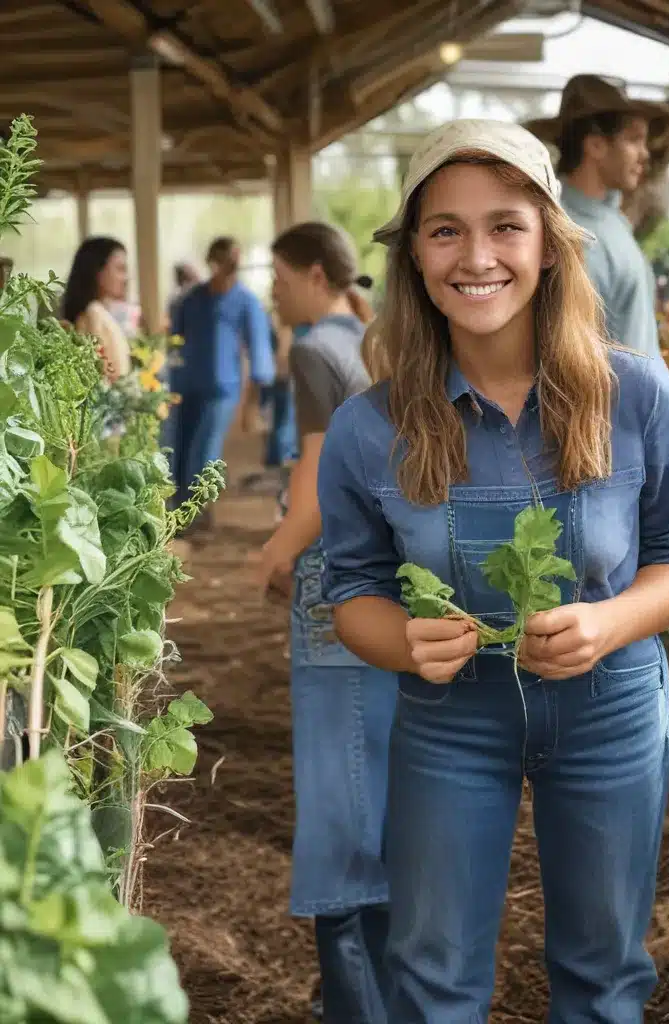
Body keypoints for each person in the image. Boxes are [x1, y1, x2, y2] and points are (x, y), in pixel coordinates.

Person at [317, 119, 669, 1022]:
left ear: (547, 245)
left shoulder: (636, 395)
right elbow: (351, 594)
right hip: (450, 720)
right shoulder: (370, 428)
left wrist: (609, 623)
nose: (477, 255)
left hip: (610, 708)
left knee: (604, 972)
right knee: (432, 974)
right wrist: (405, 642)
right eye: (445, 229)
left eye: (506, 225)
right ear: (415, 256)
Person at [254, 222, 396, 1024]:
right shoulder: (377, 344)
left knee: (339, 814)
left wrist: (272, 553)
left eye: (278, 275)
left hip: (333, 595)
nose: (273, 290)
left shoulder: (315, 351)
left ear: (315, 274)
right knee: (380, 795)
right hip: (390, 597)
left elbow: (312, 481)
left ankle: (355, 1006)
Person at [525, 74, 669, 362]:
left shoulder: (611, 220)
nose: (644, 155)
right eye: (633, 140)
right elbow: (574, 358)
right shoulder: (573, 234)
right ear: (595, 146)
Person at [166, 236, 275, 520]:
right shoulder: (191, 300)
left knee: (203, 452)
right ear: (211, 263)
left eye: (231, 264)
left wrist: (252, 405)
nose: (226, 270)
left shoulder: (246, 302)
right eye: (220, 264)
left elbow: (260, 354)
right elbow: (173, 341)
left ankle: (197, 514)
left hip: (222, 391)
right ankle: (176, 511)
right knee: (178, 449)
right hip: (184, 387)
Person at [62, 236, 133, 381]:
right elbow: (99, 377)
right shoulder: (93, 314)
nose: (126, 278)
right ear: (97, 272)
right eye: (120, 269)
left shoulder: (98, 312)